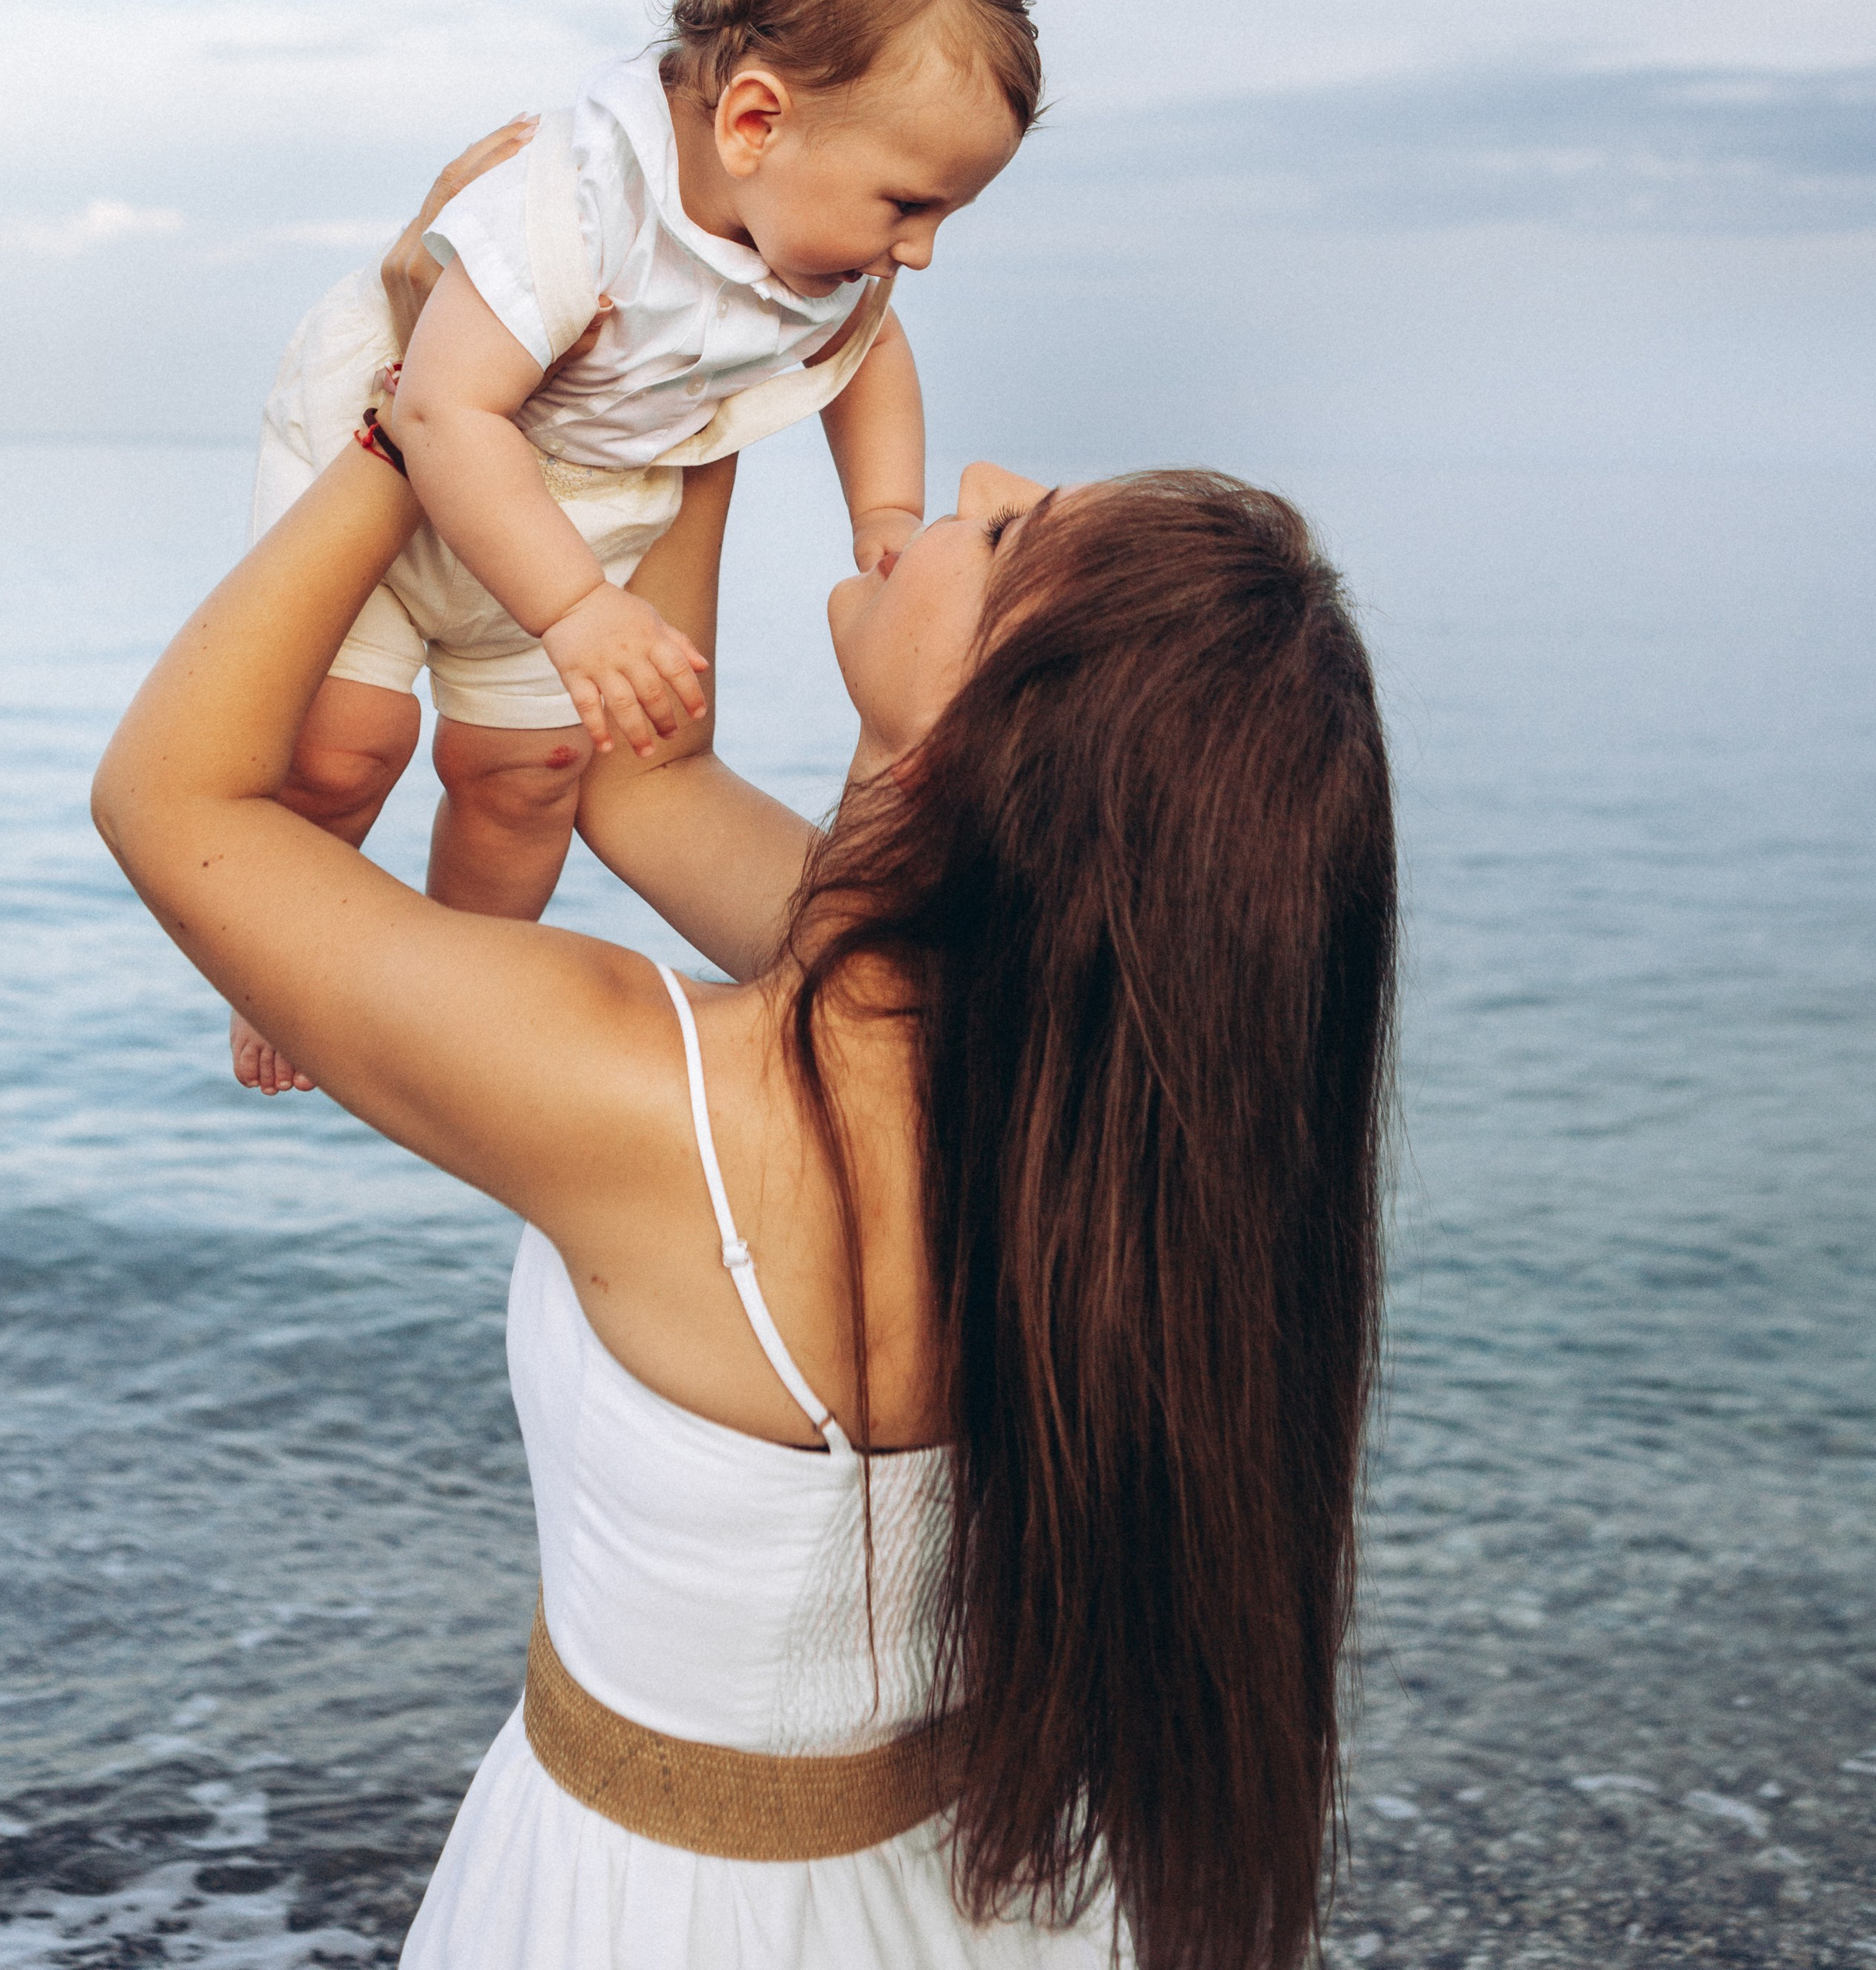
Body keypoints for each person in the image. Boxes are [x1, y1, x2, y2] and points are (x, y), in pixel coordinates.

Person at [94, 321, 1395, 1968]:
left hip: (652, 1915)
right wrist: (695, 400)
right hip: (959, 1895)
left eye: (1002, 532)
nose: (973, 478)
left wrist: (405, 430)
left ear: (994, 721)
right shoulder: (1060, 1079)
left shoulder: (669, 1107)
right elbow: (643, 788)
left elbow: (170, 801)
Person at [230, 0, 1037, 1094]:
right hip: (408, 454)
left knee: (529, 778)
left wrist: (880, 509)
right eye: (908, 205)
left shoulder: (813, 261)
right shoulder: (582, 202)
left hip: (570, 507)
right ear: (754, 122)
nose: (915, 252)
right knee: (343, 749)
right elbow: (442, 410)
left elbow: (870, 356)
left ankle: (446, 1010)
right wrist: (578, 612)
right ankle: (279, 970)